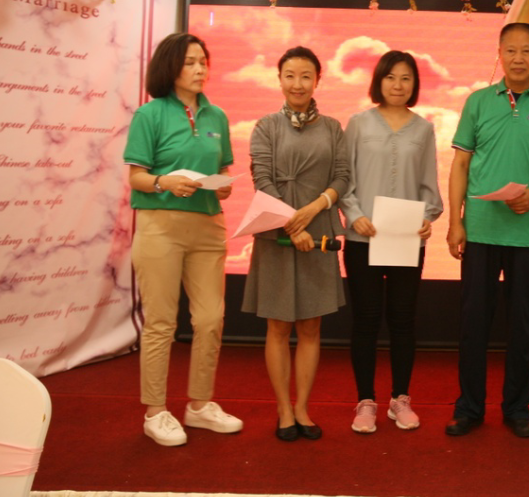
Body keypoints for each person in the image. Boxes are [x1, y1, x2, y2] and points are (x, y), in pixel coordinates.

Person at [445, 22, 529, 438]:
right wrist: (455, 222)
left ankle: (518, 408)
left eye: (527, 51)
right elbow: (461, 164)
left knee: (523, 325)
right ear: (499, 54)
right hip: (481, 230)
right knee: (473, 324)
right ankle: (469, 408)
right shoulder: (478, 102)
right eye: (511, 50)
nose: (518, 58)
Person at [124, 32, 243, 447]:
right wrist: (164, 182)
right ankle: (155, 411)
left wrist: (223, 186)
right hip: (160, 226)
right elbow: (136, 177)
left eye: (203, 62)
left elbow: (223, 170)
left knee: (210, 319)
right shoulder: (149, 114)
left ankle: (199, 405)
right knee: (161, 322)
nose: (199, 69)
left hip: (208, 226)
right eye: (190, 62)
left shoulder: (217, 116)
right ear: (170, 67)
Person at [242, 46, 348, 441]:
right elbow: (262, 179)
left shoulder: (333, 128)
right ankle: (283, 410)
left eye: (306, 76)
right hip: (277, 234)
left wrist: (315, 208)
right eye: (290, 75)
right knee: (277, 326)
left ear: (317, 80)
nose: (298, 84)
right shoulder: (265, 126)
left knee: (311, 326)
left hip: (318, 232)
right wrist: (291, 225)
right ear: (280, 79)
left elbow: (342, 177)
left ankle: (302, 407)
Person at [340, 51, 443, 434]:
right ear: (378, 81)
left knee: (402, 320)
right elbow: (344, 179)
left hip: (405, 240)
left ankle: (400, 399)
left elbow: (429, 187)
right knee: (366, 320)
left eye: (406, 78)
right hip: (362, 238)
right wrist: (354, 214)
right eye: (391, 77)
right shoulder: (358, 123)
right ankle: (365, 401)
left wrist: (427, 218)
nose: (398, 85)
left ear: (414, 84)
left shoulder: (424, 129)